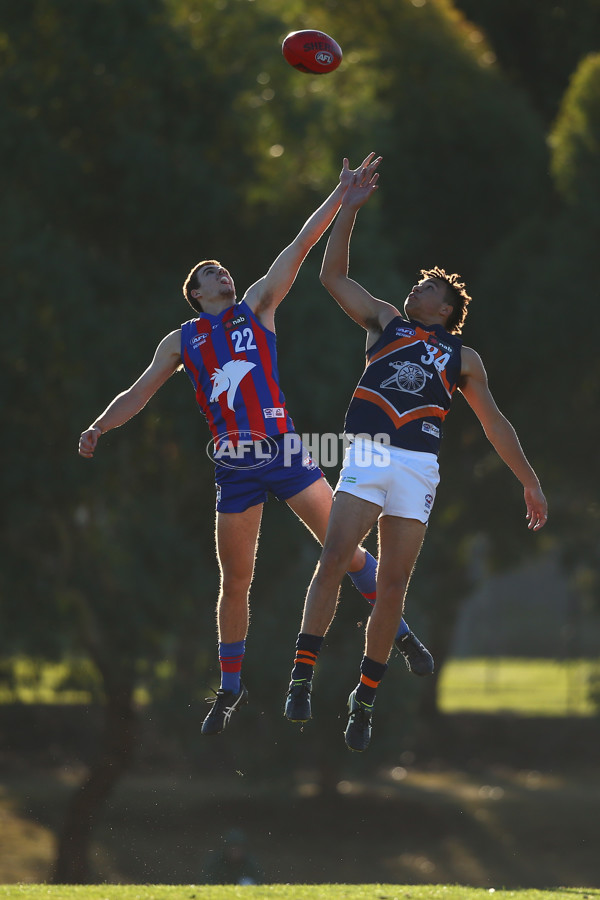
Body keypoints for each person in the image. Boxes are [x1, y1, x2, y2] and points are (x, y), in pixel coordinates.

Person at [78, 153, 434, 738]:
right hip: (234, 464)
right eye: (210, 272)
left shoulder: (258, 308)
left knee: (341, 551)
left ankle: (402, 635)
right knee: (236, 578)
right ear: (194, 292)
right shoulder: (182, 339)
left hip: (286, 450)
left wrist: (342, 198)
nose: (223, 274)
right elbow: (137, 393)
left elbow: (298, 246)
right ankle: (230, 688)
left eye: (223, 269)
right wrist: (98, 426)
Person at [284, 158, 548, 752]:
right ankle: (302, 673)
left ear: (447, 308)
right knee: (336, 555)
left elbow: (495, 424)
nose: (415, 289)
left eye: (427, 287)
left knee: (395, 583)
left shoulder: (463, 359)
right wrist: (347, 209)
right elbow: (331, 277)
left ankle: (365, 700)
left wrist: (528, 481)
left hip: (417, 468)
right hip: (370, 454)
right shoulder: (387, 323)